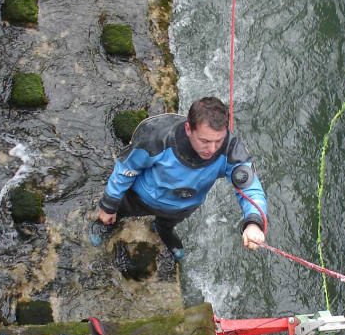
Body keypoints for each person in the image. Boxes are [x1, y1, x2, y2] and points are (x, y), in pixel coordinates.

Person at [90, 96, 267, 260]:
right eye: (205, 141)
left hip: (181, 208)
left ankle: (162, 230)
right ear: (189, 129)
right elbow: (126, 169)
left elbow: (250, 188)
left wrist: (254, 222)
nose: (212, 149)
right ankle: (105, 224)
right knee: (115, 212)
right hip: (140, 197)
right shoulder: (157, 137)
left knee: (167, 224)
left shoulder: (231, 150)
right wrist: (108, 205)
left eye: (218, 141)